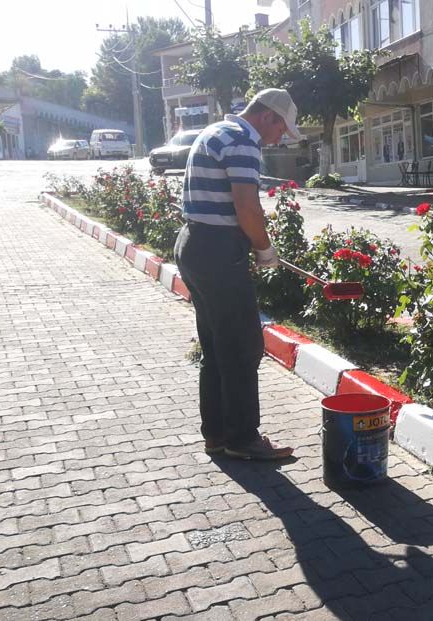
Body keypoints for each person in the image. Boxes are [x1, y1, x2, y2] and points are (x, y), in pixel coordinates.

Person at [174, 88, 302, 460]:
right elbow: (247, 206)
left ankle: (216, 433)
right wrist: (264, 249)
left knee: (216, 346)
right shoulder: (243, 141)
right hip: (218, 250)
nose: (279, 138)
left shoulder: (214, 132)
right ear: (267, 117)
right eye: (281, 130)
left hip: (194, 244)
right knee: (244, 346)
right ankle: (242, 439)